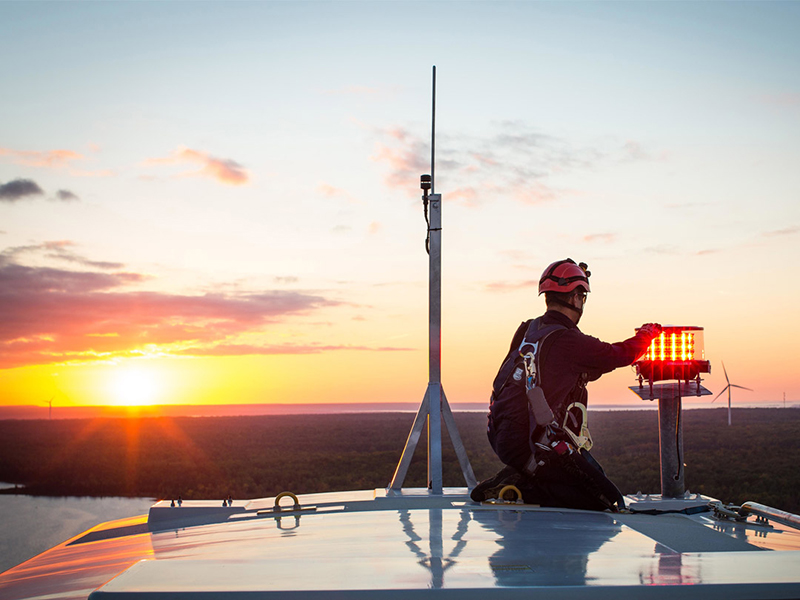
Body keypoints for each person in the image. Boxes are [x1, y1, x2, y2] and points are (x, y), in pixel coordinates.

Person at [471, 258, 662, 511]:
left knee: (592, 475)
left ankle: (524, 473)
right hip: (537, 445)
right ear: (575, 298)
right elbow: (618, 354)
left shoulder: (528, 330)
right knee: (602, 498)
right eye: (581, 297)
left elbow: (559, 370)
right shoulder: (568, 339)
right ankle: (520, 485)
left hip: (503, 435)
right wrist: (646, 335)